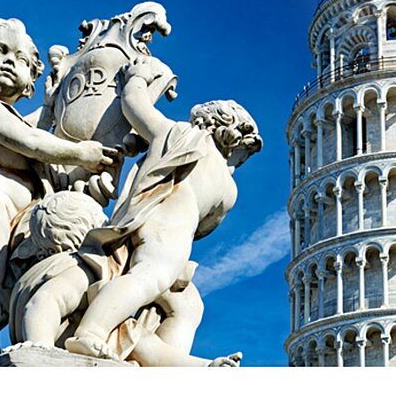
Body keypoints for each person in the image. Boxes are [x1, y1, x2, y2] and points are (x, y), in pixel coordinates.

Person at [0, 18, 119, 358]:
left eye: (23, 60)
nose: (11, 62)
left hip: (29, 204)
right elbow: (31, 141)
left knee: (10, 285)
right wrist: (82, 153)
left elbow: (38, 127)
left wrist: (54, 102)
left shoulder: (10, 115)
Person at [63, 57, 263, 360]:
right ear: (232, 136)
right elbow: (208, 226)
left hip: (167, 222)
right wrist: (138, 76)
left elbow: (135, 105)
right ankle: (90, 332)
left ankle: (165, 362)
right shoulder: (189, 142)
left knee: (188, 304)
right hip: (173, 222)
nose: (241, 160)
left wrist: (138, 80)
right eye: (244, 152)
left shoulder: (178, 135)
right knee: (151, 276)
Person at [8, 191, 241, 366]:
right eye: (107, 225)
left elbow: (152, 350)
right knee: (141, 336)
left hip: (93, 343)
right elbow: (46, 300)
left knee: (141, 332)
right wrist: (41, 347)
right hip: (67, 348)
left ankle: (201, 367)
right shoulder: (80, 268)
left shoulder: (95, 283)